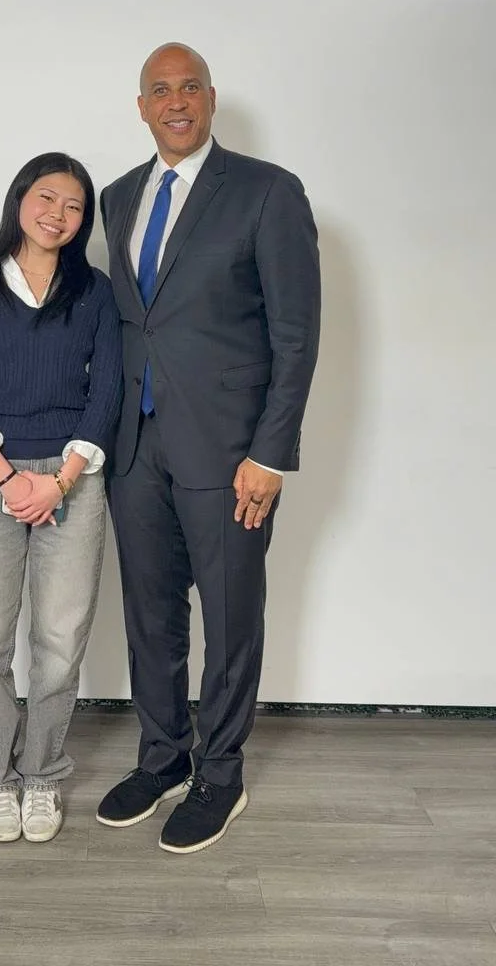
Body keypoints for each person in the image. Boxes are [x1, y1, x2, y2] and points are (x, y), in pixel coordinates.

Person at [96, 44, 321, 854]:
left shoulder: (267, 191)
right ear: (142, 107)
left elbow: (296, 335)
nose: (176, 101)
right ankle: (163, 758)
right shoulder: (118, 197)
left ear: (212, 98)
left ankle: (220, 775)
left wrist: (271, 453)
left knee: (229, 618)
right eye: (160, 89)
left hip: (230, 454)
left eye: (189, 86)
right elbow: (137, 322)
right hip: (135, 447)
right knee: (150, 615)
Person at [0, 153, 122, 845]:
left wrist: (60, 481)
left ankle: (41, 775)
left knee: (60, 642)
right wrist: (9, 478)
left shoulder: (94, 292)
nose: (58, 214)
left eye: (74, 207)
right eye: (47, 198)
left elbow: (106, 393)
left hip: (74, 478)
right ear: (20, 199)